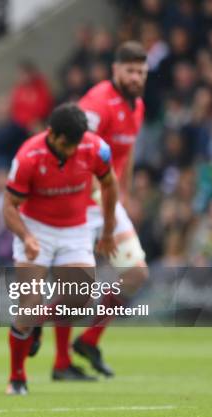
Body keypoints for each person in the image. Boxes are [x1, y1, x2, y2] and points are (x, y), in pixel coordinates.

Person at [48, 41, 150, 378]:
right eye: (130, 71)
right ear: (116, 71)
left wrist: (127, 193)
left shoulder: (137, 107)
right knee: (76, 285)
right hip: (81, 200)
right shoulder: (97, 102)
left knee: (135, 274)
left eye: (141, 71)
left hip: (109, 201)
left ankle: (89, 339)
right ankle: (61, 361)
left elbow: (128, 151)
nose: (136, 77)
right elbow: (76, 147)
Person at [4, 103, 118, 395]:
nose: (71, 150)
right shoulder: (28, 156)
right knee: (28, 303)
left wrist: (107, 230)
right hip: (35, 228)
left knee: (80, 297)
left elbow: (109, 183)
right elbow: (9, 207)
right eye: (66, 144)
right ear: (51, 134)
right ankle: (17, 378)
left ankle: (37, 322)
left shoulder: (95, 147)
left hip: (75, 228)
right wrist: (26, 237)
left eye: (76, 144)